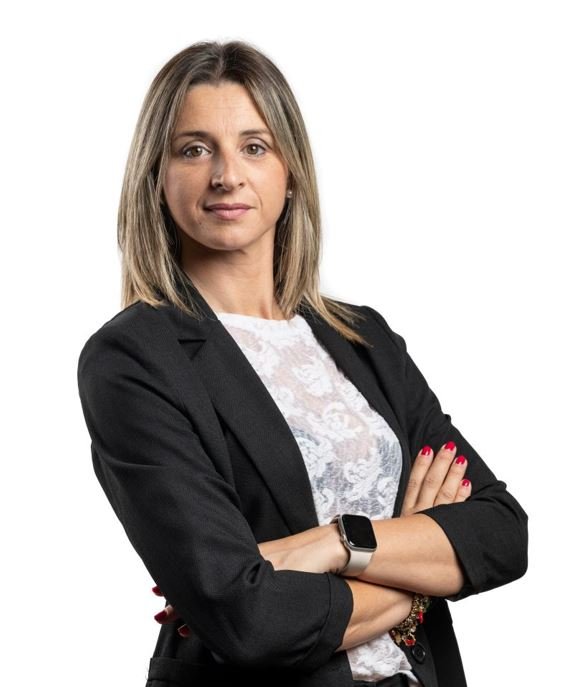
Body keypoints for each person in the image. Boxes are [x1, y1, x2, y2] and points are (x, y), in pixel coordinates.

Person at [76, 39, 528, 687]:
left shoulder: (364, 338)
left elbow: (501, 533)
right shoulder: (133, 360)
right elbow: (250, 618)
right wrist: (422, 572)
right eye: (194, 149)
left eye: (254, 147)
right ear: (157, 176)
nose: (227, 175)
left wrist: (334, 543)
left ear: (290, 174)